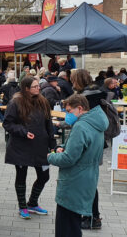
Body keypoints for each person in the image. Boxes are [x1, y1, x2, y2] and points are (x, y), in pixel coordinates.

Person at [48, 94, 108, 237]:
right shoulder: (95, 122)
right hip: (87, 176)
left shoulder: (81, 126)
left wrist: (51, 157)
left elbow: (69, 159)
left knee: (66, 226)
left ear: (80, 108)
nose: (67, 115)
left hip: (74, 179)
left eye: (69, 111)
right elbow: (84, 147)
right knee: (73, 224)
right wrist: (63, 146)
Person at [3, 76, 56, 220]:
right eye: (35, 86)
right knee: (21, 176)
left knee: (44, 176)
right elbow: (7, 123)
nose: (38, 88)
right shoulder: (16, 102)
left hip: (41, 146)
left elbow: (48, 124)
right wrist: (24, 132)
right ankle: (22, 207)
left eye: (38, 85)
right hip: (21, 146)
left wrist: (52, 144)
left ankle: (32, 203)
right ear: (26, 88)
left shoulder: (42, 101)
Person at [70, 69, 108, 229]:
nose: (71, 83)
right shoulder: (97, 93)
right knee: (89, 180)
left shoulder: (85, 97)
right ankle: (91, 216)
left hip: (88, 143)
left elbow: (79, 119)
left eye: (73, 80)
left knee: (88, 182)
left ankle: (93, 217)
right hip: (97, 142)